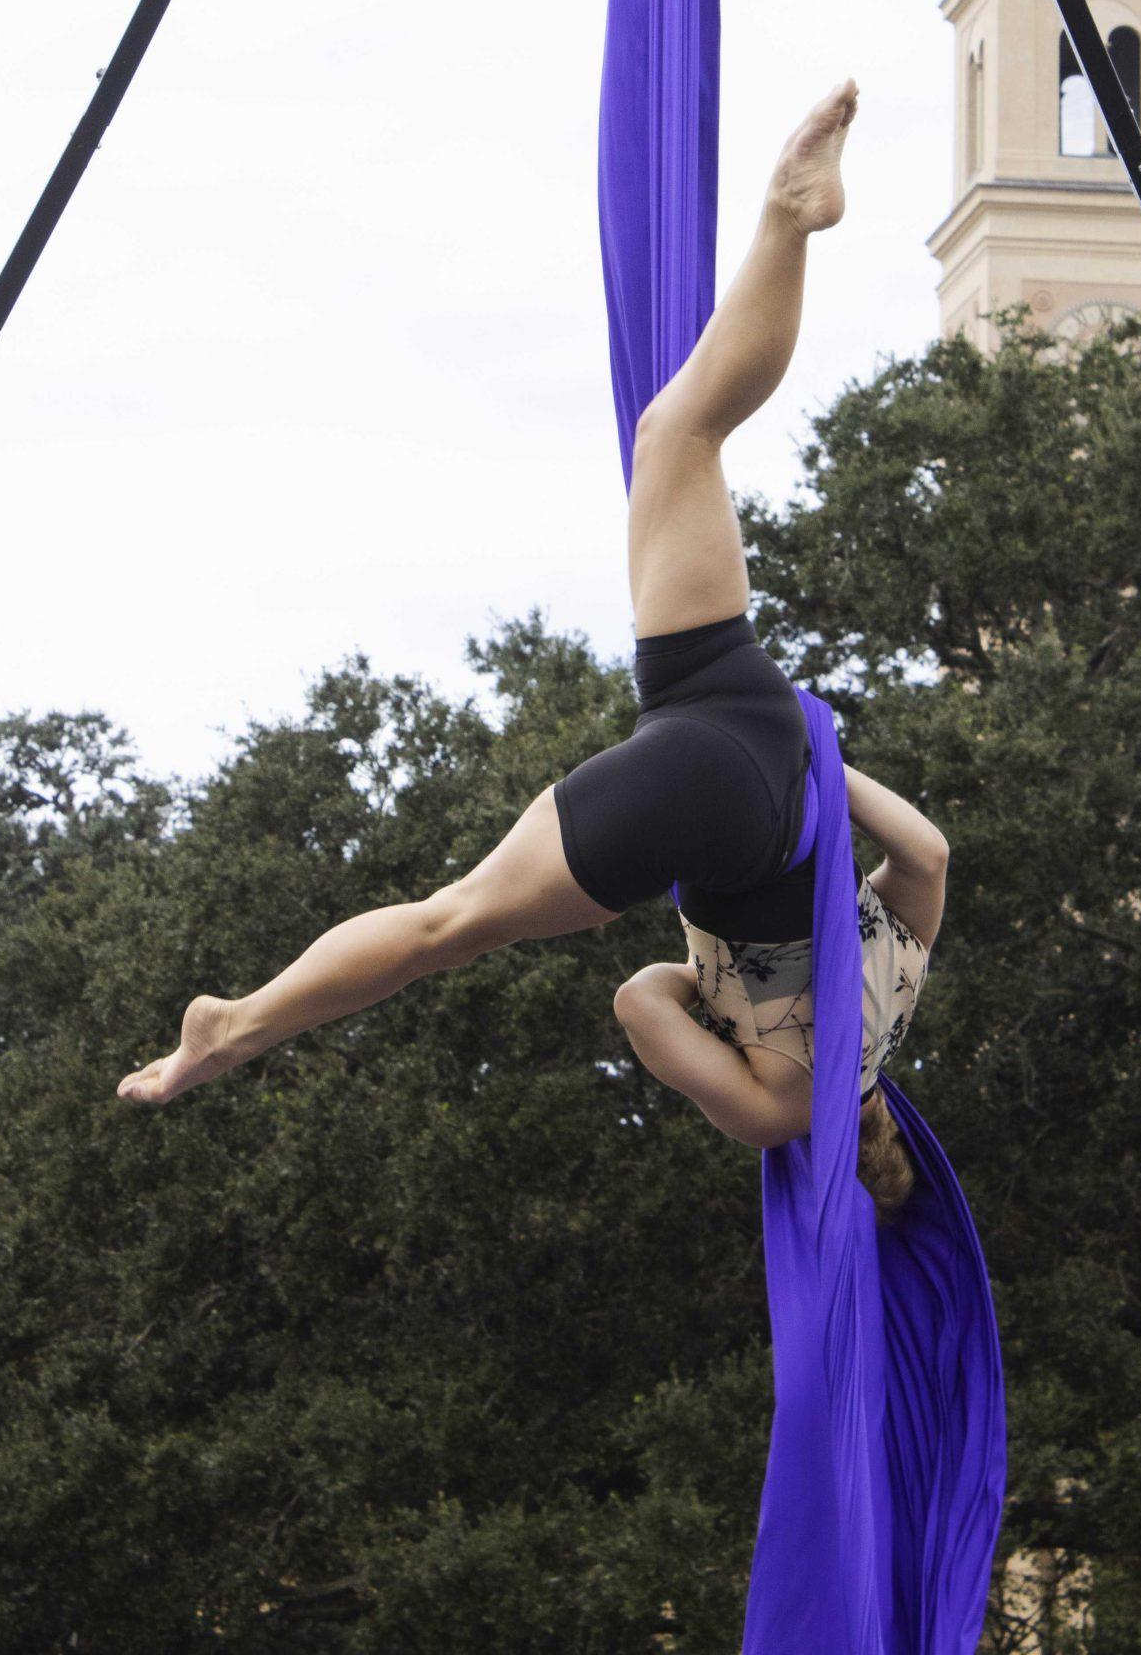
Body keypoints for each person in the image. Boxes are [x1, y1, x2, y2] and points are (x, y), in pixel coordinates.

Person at [116, 82, 950, 1213]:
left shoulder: (900, 996)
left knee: (679, 432)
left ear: (899, 1127)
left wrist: (819, 757)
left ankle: (788, 220)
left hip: (750, 712)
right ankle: (237, 1026)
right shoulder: (781, 1108)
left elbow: (928, 852)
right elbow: (640, 1000)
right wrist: (727, 1002)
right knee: (447, 923)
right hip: (717, 809)